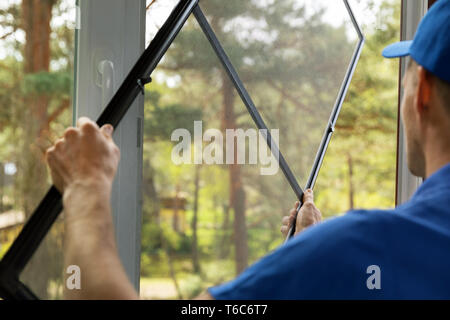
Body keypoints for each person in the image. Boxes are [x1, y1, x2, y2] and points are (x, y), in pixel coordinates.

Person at [46, 0, 450, 299]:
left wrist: (86, 186)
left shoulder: (367, 248)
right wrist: (309, 255)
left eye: (407, 76)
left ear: (423, 92)